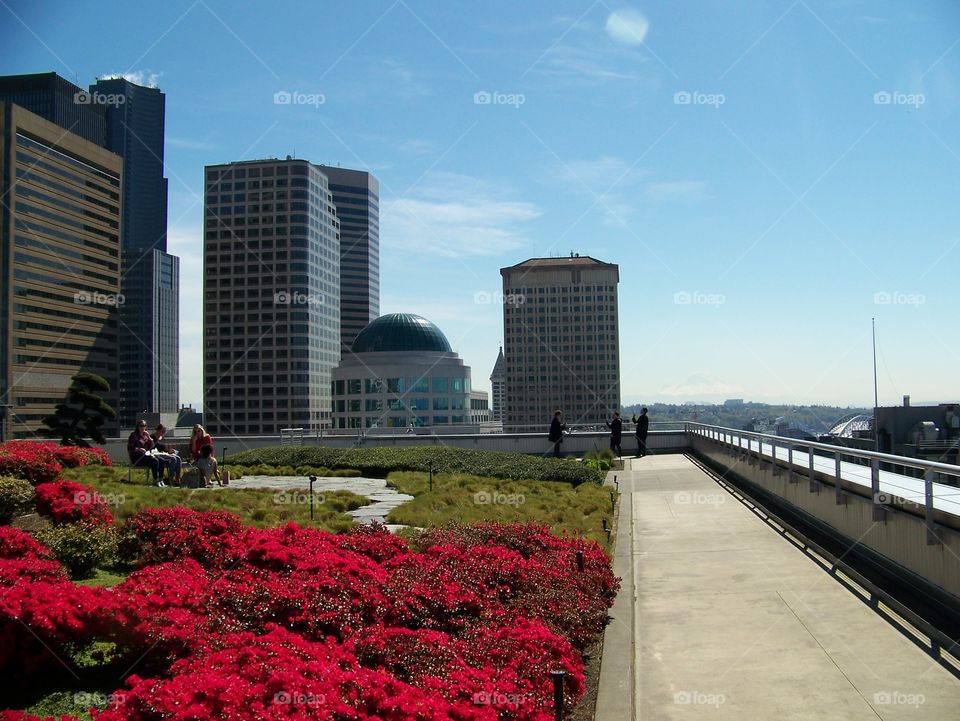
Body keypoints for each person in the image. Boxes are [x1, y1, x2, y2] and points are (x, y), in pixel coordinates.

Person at [127, 419, 166, 487]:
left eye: (144, 426)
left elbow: (152, 446)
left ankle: (160, 479)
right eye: (141, 426)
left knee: (161, 461)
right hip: (137, 457)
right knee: (155, 461)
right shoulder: (133, 436)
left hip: (146, 456)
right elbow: (130, 448)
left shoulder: (145, 436)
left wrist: (149, 437)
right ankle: (155, 480)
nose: (142, 427)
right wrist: (139, 449)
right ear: (137, 427)